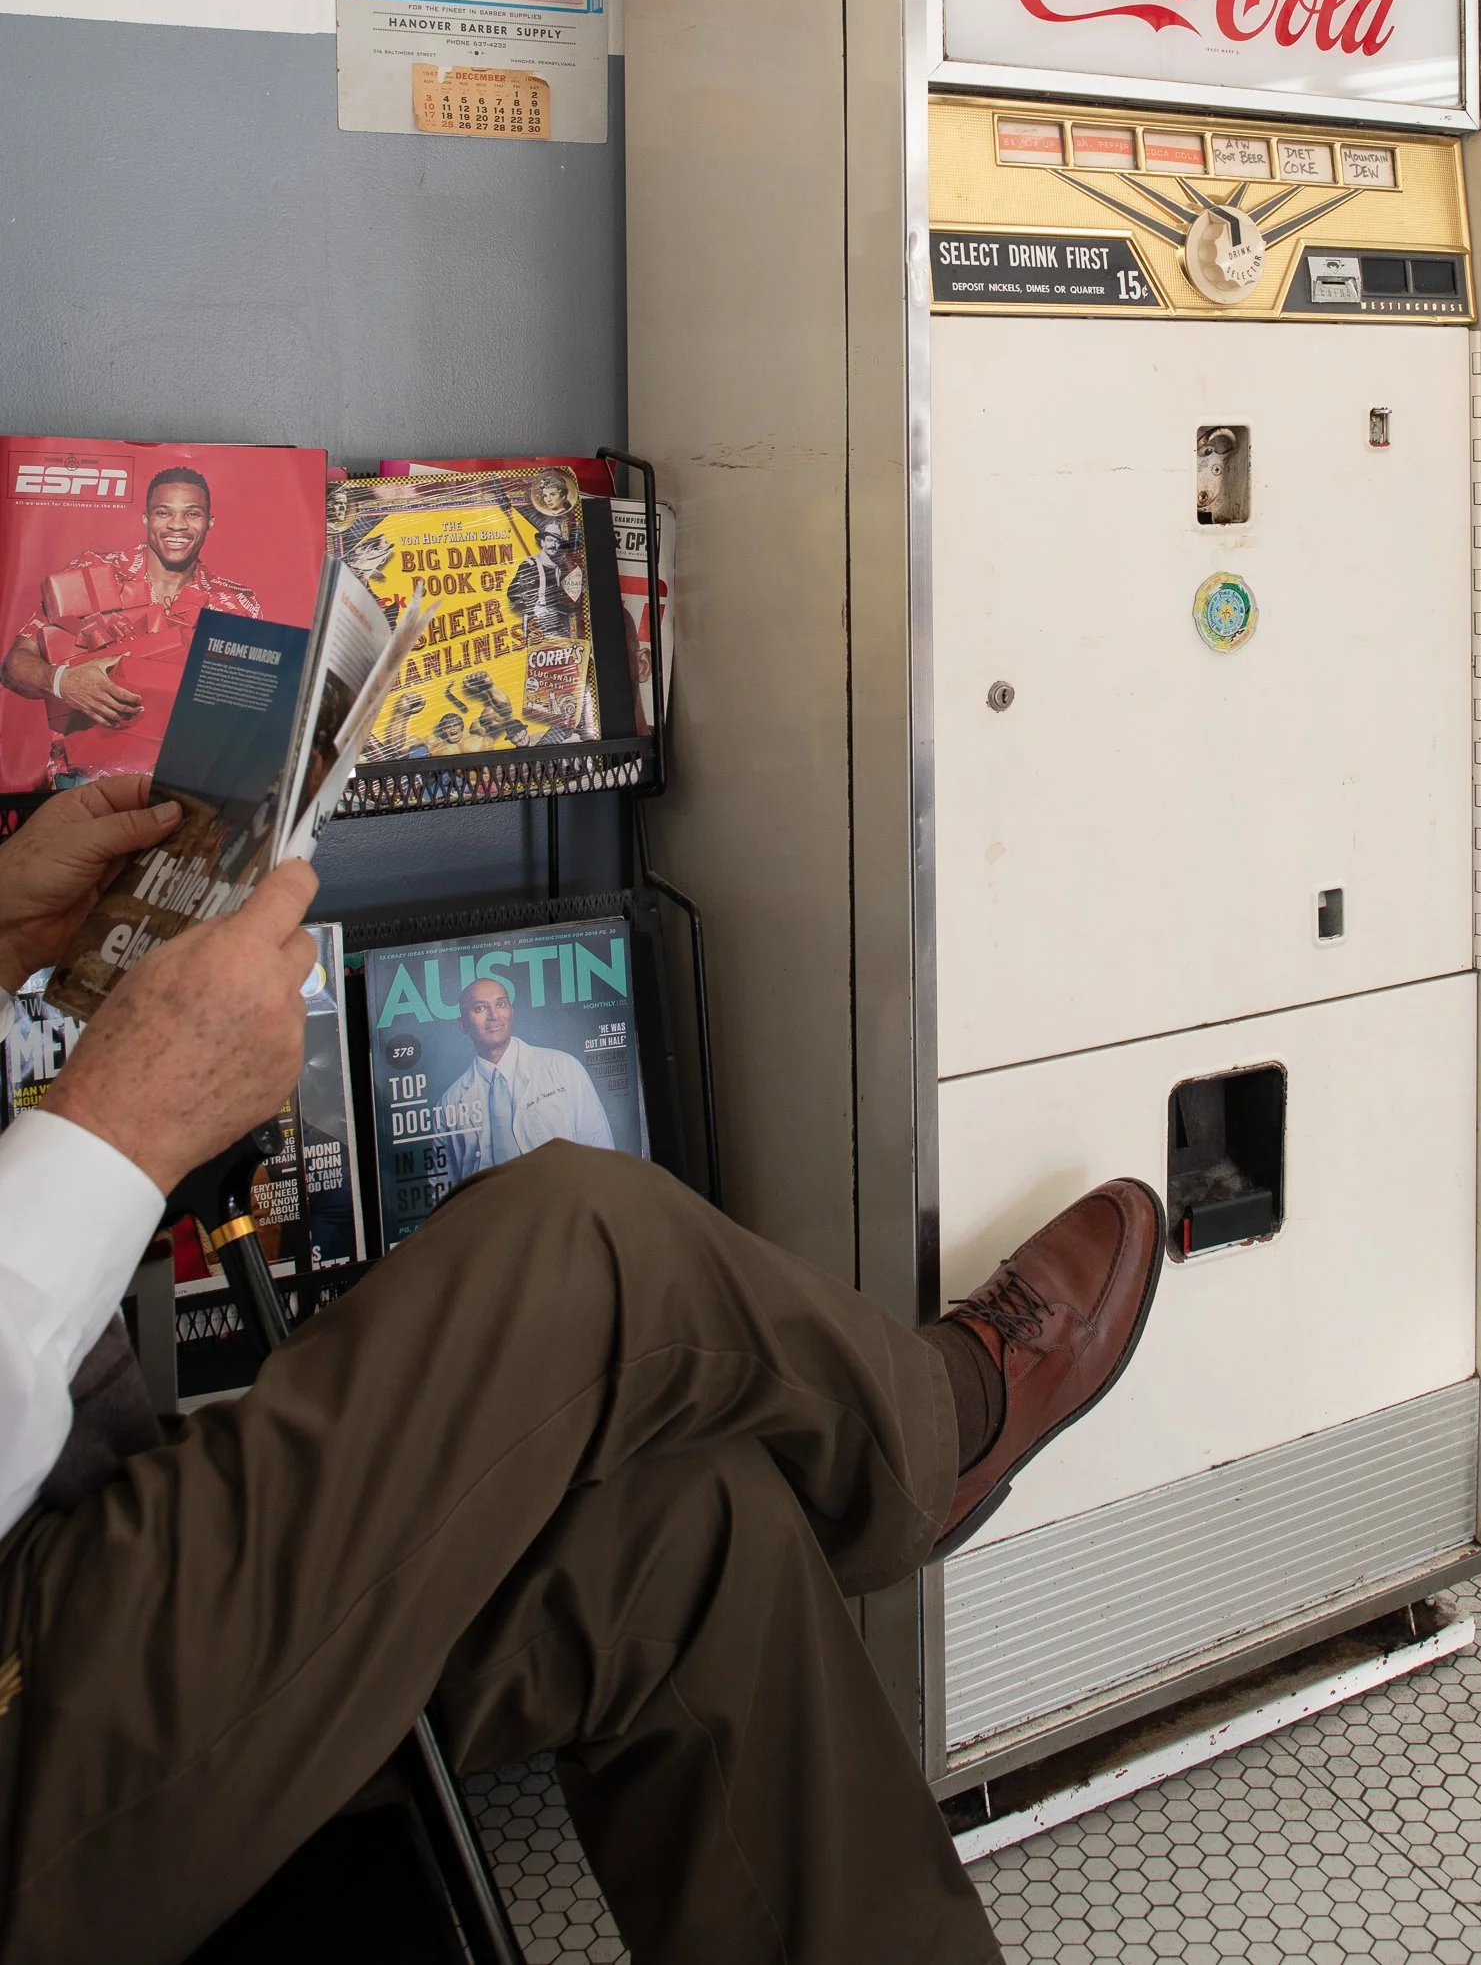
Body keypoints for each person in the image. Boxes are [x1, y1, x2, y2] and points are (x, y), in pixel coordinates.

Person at [0, 779, 1164, 1965]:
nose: (492, 1022)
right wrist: (122, 1120)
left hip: (71, 1556)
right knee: (581, 1239)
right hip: (29, 1718)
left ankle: (912, 1456)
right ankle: (933, 1435)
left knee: (697, 1521)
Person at [0, 465, 259, 787]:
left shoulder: (234, 603)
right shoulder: (93, 572)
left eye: (192, 514)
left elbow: (249, 714)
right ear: (146, 519)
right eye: (164, 513)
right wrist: (62, 682)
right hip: (86, 783)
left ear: (209, 522)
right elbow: (13, 667)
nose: (177, 525)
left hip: (186, 786)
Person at [435, 972, 616, 1176]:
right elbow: (443, 1192)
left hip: (564, 1205)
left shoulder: (564, 1068)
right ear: (463, 1025)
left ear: (512, 1011)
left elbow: (601, 1154)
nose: (494, 1016)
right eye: (479, 1008)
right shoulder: (448, 1104)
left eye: (501, 1004)